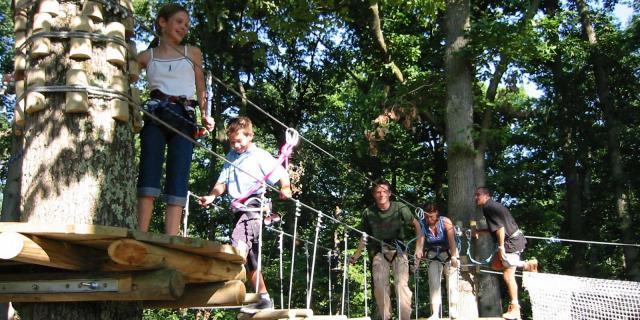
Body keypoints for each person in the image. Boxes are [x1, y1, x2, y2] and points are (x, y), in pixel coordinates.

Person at [198, 116, 292, 314]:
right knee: (250, 260)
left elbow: (281, 173)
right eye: (232, 142)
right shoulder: (231, 156)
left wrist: (286, 187)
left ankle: (223, 281)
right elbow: (221, 183)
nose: (236, 145)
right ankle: (264, 298)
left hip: (255, 206)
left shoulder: (260, 155)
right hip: (239, 209)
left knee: (238, 244)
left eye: (240, 141)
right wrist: (212, 196)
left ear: (250, 136)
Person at [136, 3, 215, 235]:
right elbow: (126, 75)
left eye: (187, 25)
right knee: (149, 168)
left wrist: (205, 114)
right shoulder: (145, 56)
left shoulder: (193, 52)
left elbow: (201, 87)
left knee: (179, 172)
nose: (184, 28)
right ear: (162, 22)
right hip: (156, 113)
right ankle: (142, 232)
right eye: (179, 22)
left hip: (184, 115)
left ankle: (170, 236)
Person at [349, 179, 424, 320]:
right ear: (374, 195)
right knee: (380, 287)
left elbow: (417, 225)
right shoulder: (368, 212)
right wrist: (357, 255)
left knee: (401, 285)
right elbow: (364, 236)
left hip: (399, 251)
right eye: (378, 192)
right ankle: (386, 317)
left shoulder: (400, 208)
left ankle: (404, 318)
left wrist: (418, 248)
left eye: (384, 191)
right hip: (379, 252)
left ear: (390, 193)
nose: (381, 194)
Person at [474, 187, 538, 320]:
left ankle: (527, 265)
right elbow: (495, 228)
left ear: (486, 195)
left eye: (478, 195)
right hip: (515, 239)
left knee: (508, 275)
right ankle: (515, 309)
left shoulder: (488, 207)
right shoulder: (493, 206)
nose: (476, 197)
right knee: (497, 266)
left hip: (511, 242)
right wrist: (479, 232)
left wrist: (502, 247)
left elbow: (501, 228)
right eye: (475, 195)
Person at [420, 204, 459, 320]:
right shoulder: (423, 224)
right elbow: (420, 241)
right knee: (434, 283)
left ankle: (453, 310)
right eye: (426, 217)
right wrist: (419, 254)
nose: (429, 219)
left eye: (431, 217)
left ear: (436, 214)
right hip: (433, 255)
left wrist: (454, 256)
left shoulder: (446, 222)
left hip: (449, 253)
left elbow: (452, 241)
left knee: (452, 284)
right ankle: (435, 313)